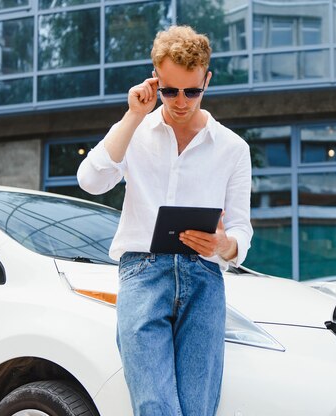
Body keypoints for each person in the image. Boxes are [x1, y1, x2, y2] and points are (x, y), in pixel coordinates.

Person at [76, 25, 253, 416]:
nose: (181, 101)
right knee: (155, 405)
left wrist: (225, 245)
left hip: (204, 279)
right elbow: (90, 180)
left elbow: (241, 227)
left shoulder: (233, 148)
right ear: (155, 80)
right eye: (170, 90)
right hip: (142, 272)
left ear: (206, 79)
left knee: (197, 408)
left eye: (192, 90)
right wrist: (133, 115)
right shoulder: (134, 131)